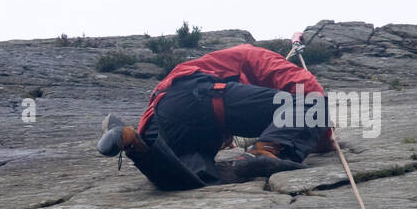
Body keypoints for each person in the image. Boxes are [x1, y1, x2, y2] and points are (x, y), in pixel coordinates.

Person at [97, 43, 336, 190]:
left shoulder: (204, 70)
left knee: (190, 177)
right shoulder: (254, 54)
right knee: (313, 105)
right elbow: (307, 87)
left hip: (164, 117)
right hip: (201, 94)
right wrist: (322, 136)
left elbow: (161, 116)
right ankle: (266, 151)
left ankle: (133, 144)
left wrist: (144, 136)